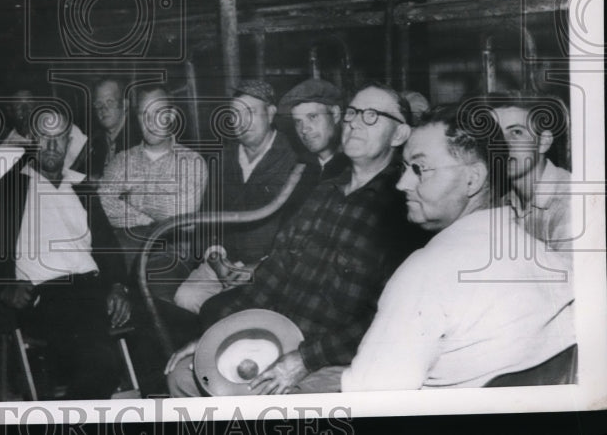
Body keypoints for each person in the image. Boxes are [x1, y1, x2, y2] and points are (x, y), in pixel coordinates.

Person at [165, 84, 427, 396]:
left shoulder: (406, 207)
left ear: (399, 135)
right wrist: (216, 338)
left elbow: (387, 319)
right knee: (183, 374)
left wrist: (305, 358)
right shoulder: (323, 192)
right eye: (353, 113)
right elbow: (271, 277)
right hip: (281, 338)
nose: (355, 121)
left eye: (372, 116)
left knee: (273, 404)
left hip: (339, 358)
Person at [341, 105, 575, 390]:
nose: (403, 183)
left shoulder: (425, 272)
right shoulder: (543, 258)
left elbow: (369, 398)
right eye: (404, 168)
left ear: (472, 179)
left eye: (419, 168)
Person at [0, 105, 132, 399]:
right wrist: (3, 288)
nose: (52, 146)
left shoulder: (82, 188)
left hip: (93, 291)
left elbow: (108, 249)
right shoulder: (7, 189)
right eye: (43, 136)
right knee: (100, 362)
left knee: (135, 347)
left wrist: (118, 285)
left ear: (68, 141)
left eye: (60, 137)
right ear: (30, 139)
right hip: (46, 297)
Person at [171, 80, 320, 314]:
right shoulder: (222, 159)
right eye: (235, 114)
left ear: (270, 114)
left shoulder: (295, 159)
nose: (242, 122)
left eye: (250, 112)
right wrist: (216, 259)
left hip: (268, 267)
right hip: (221, 262)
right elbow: (206, 219)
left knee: (239, 315)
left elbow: (298, 233)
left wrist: (260, 267)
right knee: (185, 297)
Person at [98, 86, 209, 268]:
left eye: (158, 112)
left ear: (171, 116)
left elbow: (182, 219)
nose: (150, 123)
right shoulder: (122, 160)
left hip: (172, 258)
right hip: (125, 251)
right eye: (144, 115)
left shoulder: (192, 162)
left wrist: (133, 195)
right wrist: (148, 220)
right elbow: (102, 204)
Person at [485, 92, 573, 252]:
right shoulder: (504, 203)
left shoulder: (570, 203)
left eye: (516, 132)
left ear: (543, 142)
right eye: (495, 135)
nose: (502, 145)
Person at [278, 78, 350, 180]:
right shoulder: (299, 171)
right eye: (298, 122)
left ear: (335, 114)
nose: (304, 130)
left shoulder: (355, 167)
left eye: (313, 116)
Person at [85, 77, 141, 182]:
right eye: (98, 104)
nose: (103, 109)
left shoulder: (140, 140)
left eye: (110, 102)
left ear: (125, 105)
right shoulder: (94, 140)